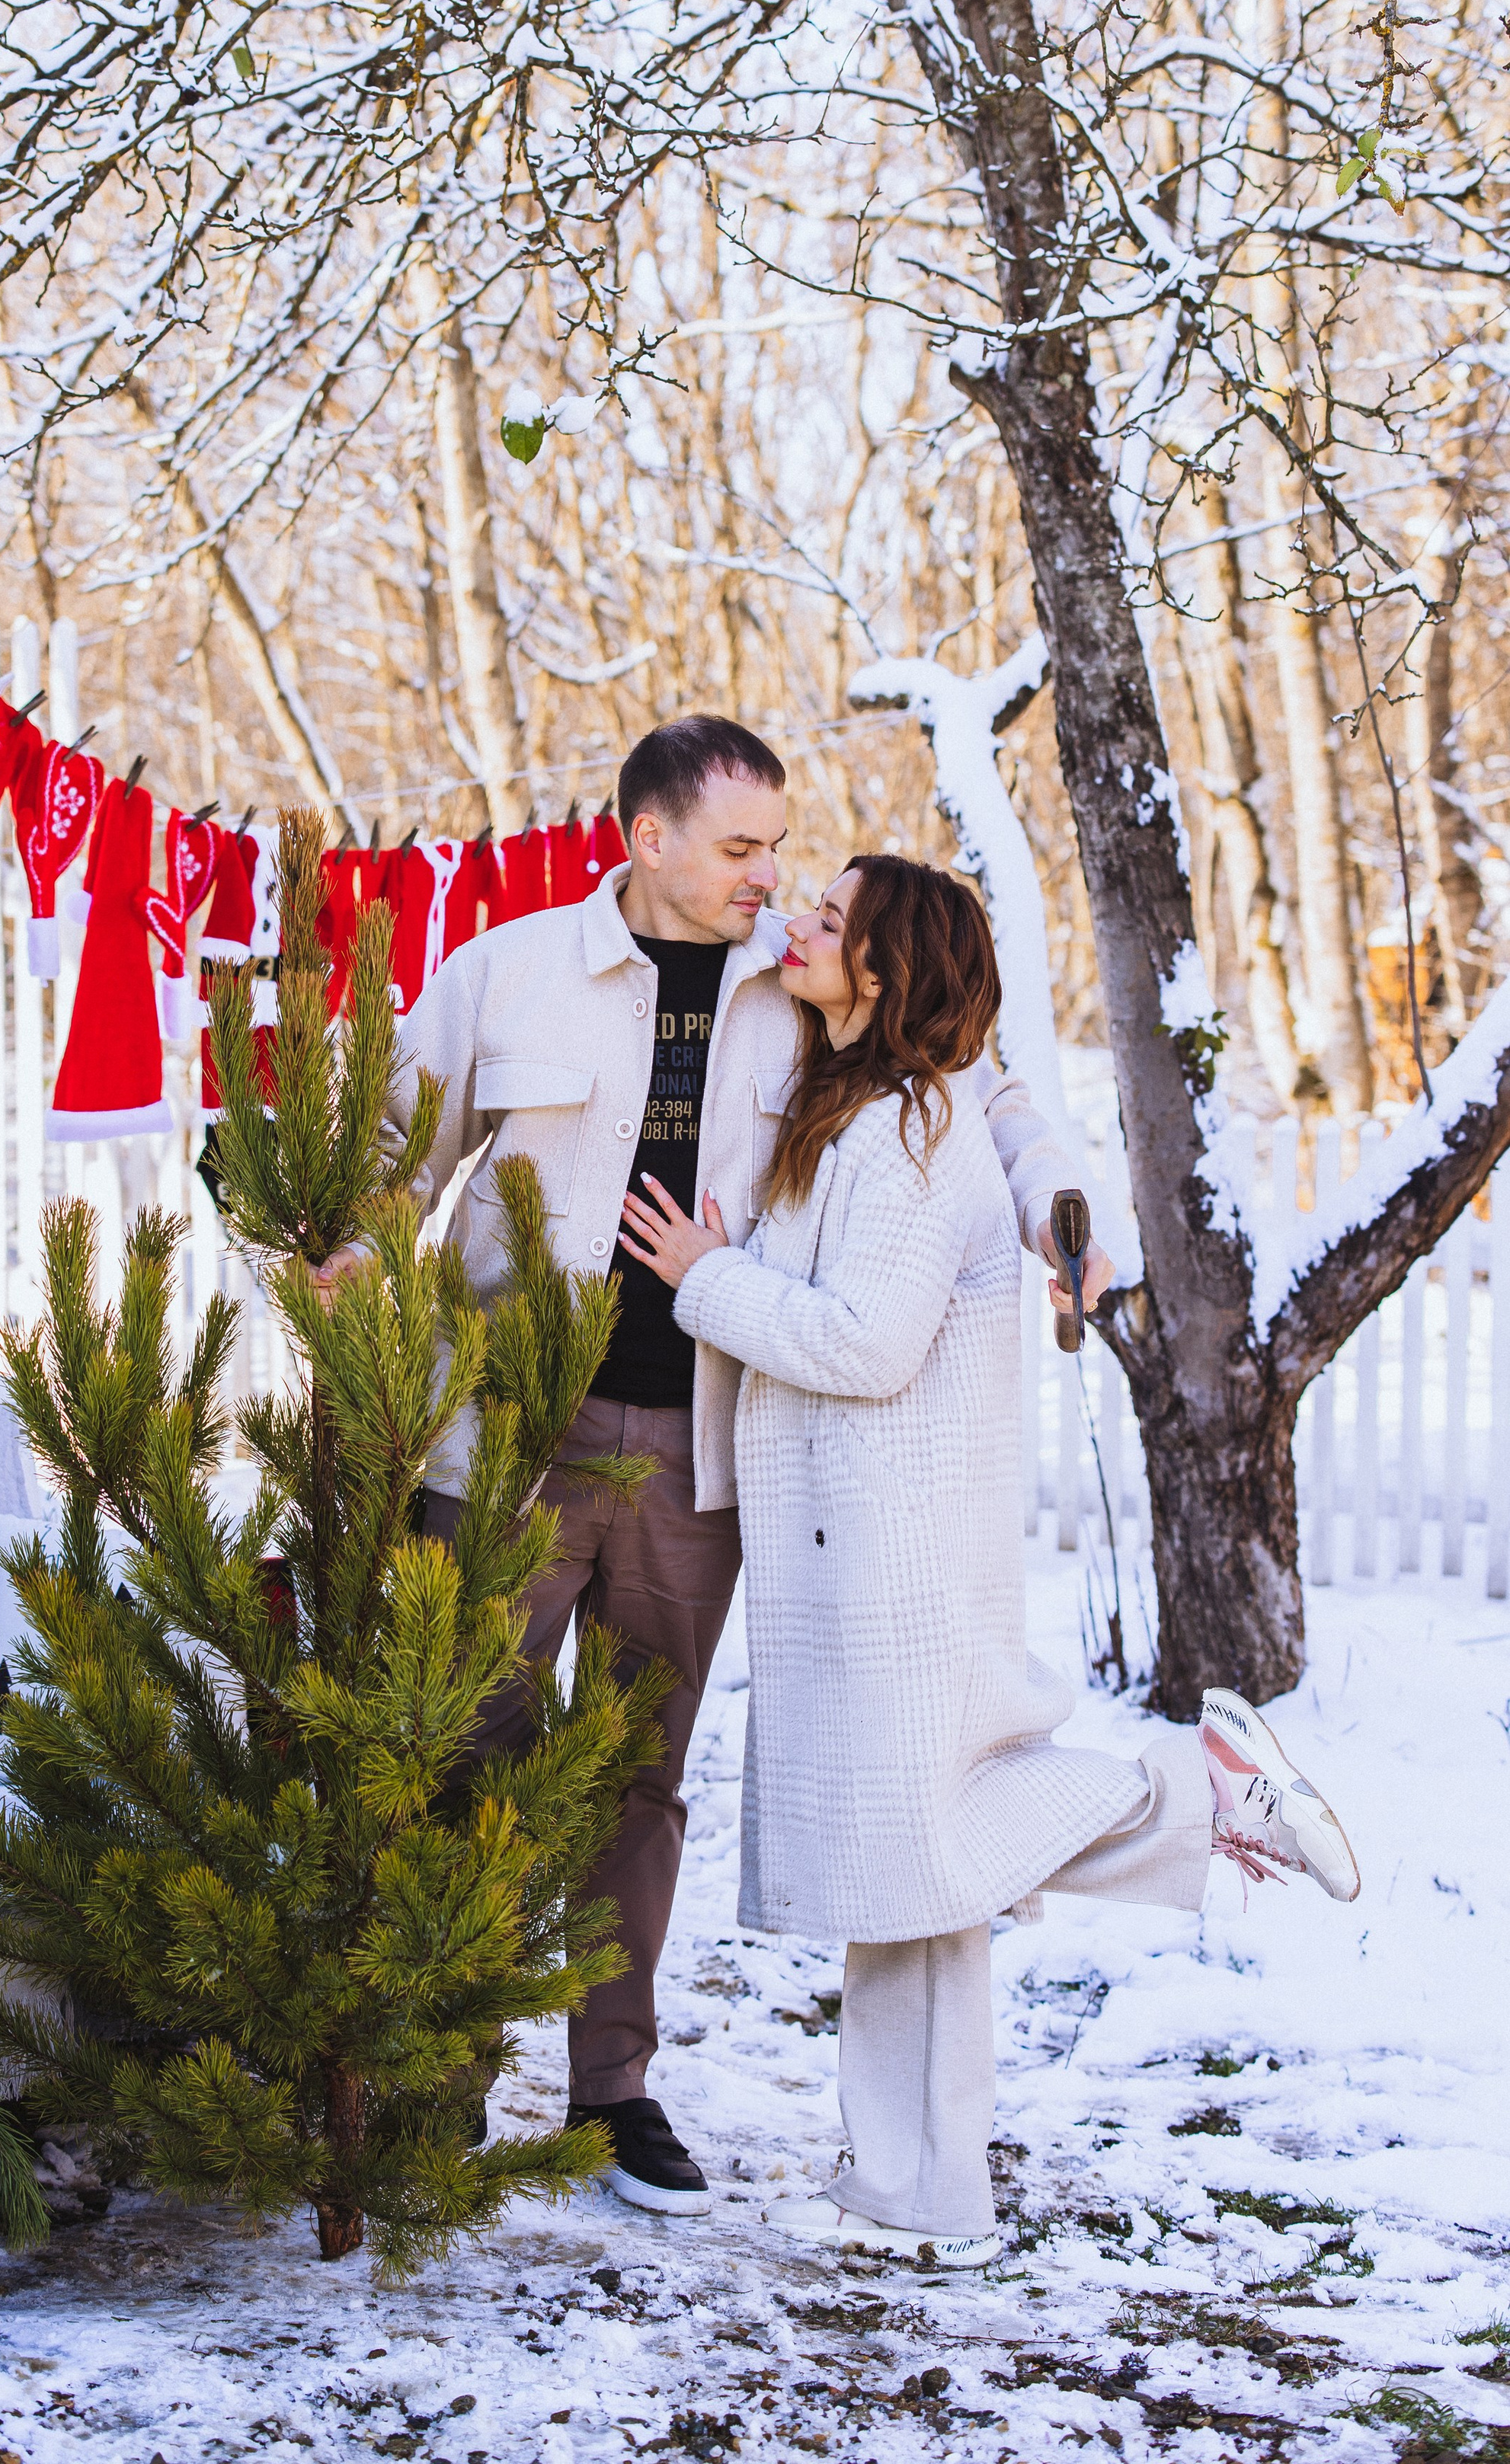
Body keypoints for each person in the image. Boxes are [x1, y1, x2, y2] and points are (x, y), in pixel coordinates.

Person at [318, 715, 1109, 2217]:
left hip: (701, 1448)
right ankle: (440, 2080)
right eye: (739, 847)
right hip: (497, 1441)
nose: (769, 874)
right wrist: (345, 1243)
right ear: (648, 838)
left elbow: (987, 1098)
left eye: (776, 844)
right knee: (465, 1756)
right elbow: (391, 1143)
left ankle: (609, 2088)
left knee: (637, 1773)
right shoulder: (508, 969)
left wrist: (1066, 1215)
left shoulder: (800, 980)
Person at [619, 853, 1361, 2264]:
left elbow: (863, 1342)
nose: (800, 925)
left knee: (930, 1843)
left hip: (883, 1543)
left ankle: (1200, 1793)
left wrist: (702, 1278)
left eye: (833, 921)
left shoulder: (909, 1132)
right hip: (860, 1528)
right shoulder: (865, 1097)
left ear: (888, 973)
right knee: (912, 1888)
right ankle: (919, 2185)